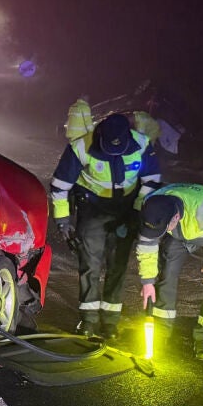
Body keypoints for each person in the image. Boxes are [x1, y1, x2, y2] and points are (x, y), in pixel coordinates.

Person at [50, 113, 161, 340]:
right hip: (92, 209)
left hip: (126, 208)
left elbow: (152, 180)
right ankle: (88, 319)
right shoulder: (81, 147)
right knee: (90, 264)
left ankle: (110, 321)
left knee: (118, 265)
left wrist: (137, 212)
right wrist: (63, 221)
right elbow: (60, 186)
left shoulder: (140, 144)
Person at [136, 183, 203, 362]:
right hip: (181, 233)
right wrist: (147, 281)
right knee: (166, 274)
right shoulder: (152, 206)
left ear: (176, 217)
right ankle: (160, 333)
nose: (163, 233)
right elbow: (147, 244)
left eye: (165, 228)